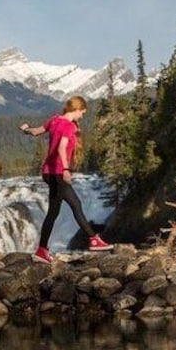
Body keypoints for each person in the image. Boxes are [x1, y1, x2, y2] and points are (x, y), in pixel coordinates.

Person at [19, 96, 113, 264]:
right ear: (76, 110)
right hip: (57, 173)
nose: (82, 116)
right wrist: (65, 169)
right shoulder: (69, 126)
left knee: (54, 212)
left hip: (47, 172)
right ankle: (93, 239)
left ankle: (41, 250)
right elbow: (62, 148)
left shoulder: (54, 120)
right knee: (75, 205)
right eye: (82, 113)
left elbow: (36, 131)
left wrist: (26, 129)